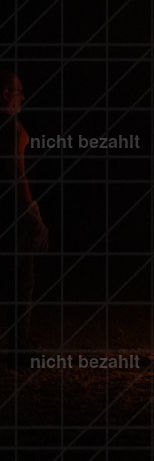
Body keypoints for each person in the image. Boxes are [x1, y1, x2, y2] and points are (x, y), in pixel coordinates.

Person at [0, 69, 49, 368]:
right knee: (21, 280)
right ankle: (19, 349)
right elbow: (17, 174)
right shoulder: (11, 128)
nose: (23, 97)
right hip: (12, 216)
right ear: (6, 94)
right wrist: (32, 216)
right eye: (19, 92)